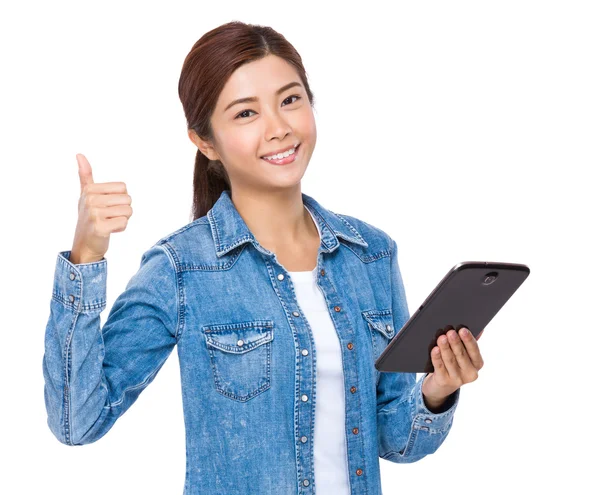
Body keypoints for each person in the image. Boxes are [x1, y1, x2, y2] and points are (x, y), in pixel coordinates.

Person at [42, 20, 484, 495]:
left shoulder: (370, 255)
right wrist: (86, 254)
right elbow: (78, 421)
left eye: (290, 100)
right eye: (246, 113)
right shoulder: (181, 267)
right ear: (205, 141)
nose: (279, 128)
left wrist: (437, 390)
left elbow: (397, 440)